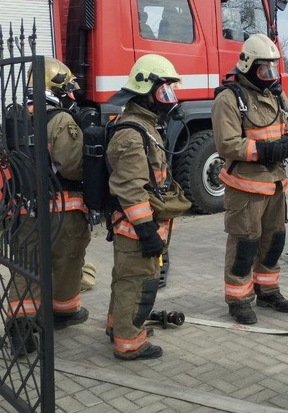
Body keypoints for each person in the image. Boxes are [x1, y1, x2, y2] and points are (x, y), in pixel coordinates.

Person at [211, 33, 288, 325]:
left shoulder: (275, 93)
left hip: (275, 183)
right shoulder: (229, 99)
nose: (270, 75)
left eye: (273, 68)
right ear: (248, 66)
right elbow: (227, 144)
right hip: (245, 187)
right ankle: (238, 299)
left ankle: (268, 290)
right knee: (244, 244)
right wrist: (265, 149)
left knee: (274, 240)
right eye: (265, 69)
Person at [5, 57, 91, 354]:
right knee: (67, 261)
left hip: (24, 208)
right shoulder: (60, 119)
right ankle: (63, 312)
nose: (71, 95)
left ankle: (19, 329)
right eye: (67, 89)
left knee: (25, 267)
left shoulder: (15, 117)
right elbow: (72, 166)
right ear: (53, 88)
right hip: (62, 210)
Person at [103, 53, 182, 360]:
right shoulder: (131, 133)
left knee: (126, 281)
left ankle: (118, 327)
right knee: (137, 283)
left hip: (138, 224)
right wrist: (147, 231)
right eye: (164, 92)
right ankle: (129, 342)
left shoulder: (144, 126)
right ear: (146, 92)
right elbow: (130, 188)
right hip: (135, 227)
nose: (169, 100)